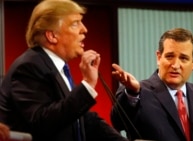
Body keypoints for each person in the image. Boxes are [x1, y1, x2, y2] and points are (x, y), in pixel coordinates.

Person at [0, 0, 128, 141]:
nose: (84, 29)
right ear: (52, 36)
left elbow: (82, 120)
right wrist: (87, 85)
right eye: (75, 23)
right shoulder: (29, 67)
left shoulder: (56, 67)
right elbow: (42, 122)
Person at [111, 28, 193, 141]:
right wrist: (132, 92)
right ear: (159, 57)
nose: (175, 65)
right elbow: (118, 122)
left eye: (183, 58)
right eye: (169, 56)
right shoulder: (138, 92)